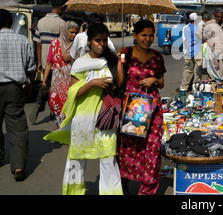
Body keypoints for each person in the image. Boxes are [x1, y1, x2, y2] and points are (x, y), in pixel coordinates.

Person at [43, 23, 123, 195]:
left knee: (109, 161)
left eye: (104, 40)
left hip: (106, 118)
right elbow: (74, 93)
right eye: (97, 40)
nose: (101, 44)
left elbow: (120, 85)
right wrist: (93, 83)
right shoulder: (80, 63)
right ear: (88, 41)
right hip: (83, 119)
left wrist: (119, 65)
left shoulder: (111, 60)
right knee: (77, 160)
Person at [116, 20, 166, 195]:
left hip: (153, 110)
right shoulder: (126, 54)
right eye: (144, 35)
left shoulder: (157, 56)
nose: (148, 39)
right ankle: (123, 183)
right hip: (132, 109)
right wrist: (119, 62)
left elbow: (161, 83)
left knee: (152, 147)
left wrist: (154, 80)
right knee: (129, 148)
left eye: (151, 35)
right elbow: (120, 82)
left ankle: (148, 189)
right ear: (135, 36)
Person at [0, 9, 36, 181]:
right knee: (17, 128)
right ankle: (19, 166)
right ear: (11, 22)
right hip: (15, 88)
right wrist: (28, 86)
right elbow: (31, 67)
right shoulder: (22, 40)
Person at [30, 0, 66, 124]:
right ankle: (46, 107)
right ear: (60, 8)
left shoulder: (41, 22)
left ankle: (43, 106)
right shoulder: (62, 23)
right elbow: (63, 44)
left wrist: (39, 61)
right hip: (56, 60)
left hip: (45, 59)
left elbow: (38, 44)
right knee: (54, 85)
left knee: (46, 82)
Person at [42, 21, 79, 128]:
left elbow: (83, 60)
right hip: (57, 82)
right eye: (71, 32)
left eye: (76, 33)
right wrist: (44, 81)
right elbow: (49, 63)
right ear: (64, 31)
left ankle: (65, 128)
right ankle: (61, 125)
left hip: (72, 82)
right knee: (54, 103)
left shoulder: (77, 46)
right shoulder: (54, 44)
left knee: (71, 106)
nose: (74, 35)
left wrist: (71, 58)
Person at [180, 13, 203, 91]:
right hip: (198, 51)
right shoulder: (199, 28)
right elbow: (202, 38)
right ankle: (195, 88)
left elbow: (184, 40)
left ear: (189, 19)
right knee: (198, 69)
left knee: (187, 70)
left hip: (188, 51)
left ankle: (184, 87)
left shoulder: (185, 28)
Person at [203, 8, 223, 81]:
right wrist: (209, 42)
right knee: (212, 68)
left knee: (222, 67)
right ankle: (211, 83)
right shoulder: (209, 23)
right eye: (218, 17)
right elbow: (199, 34)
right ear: (214, 15)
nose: (219, 18)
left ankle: (220, 82)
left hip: (221, 49)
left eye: (221, 17)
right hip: (212, 49)